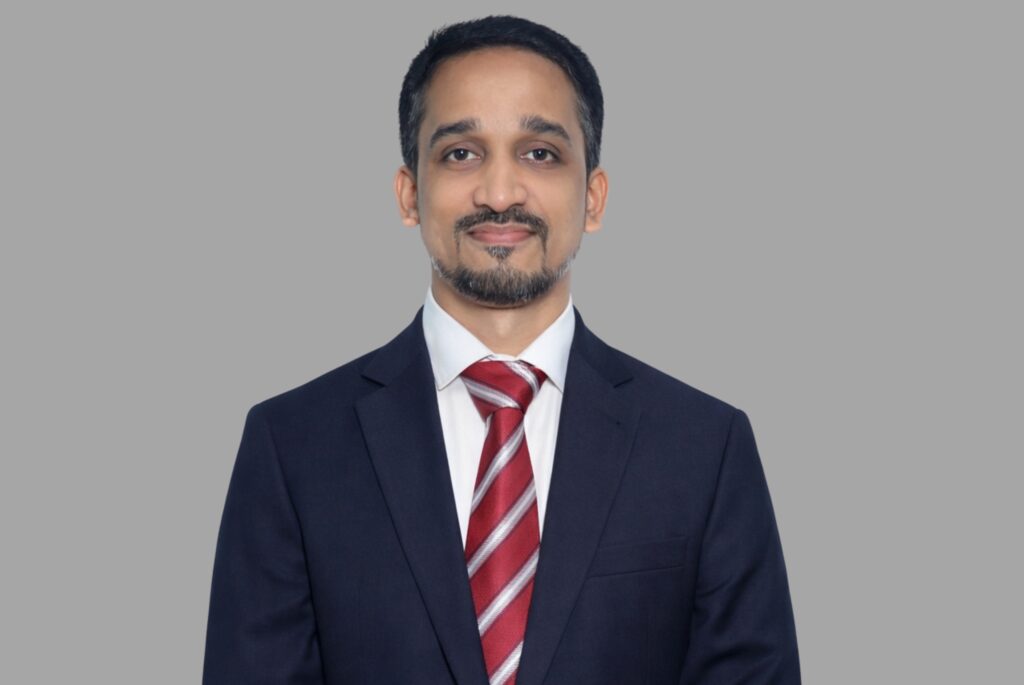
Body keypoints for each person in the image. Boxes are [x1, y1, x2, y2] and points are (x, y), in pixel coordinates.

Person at [202, 14, 801, 685]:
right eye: (461, 153)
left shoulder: (704, 448)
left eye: (539, 153)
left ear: (593, 197)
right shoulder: (292, 446)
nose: (499, 193)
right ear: (409, 193)